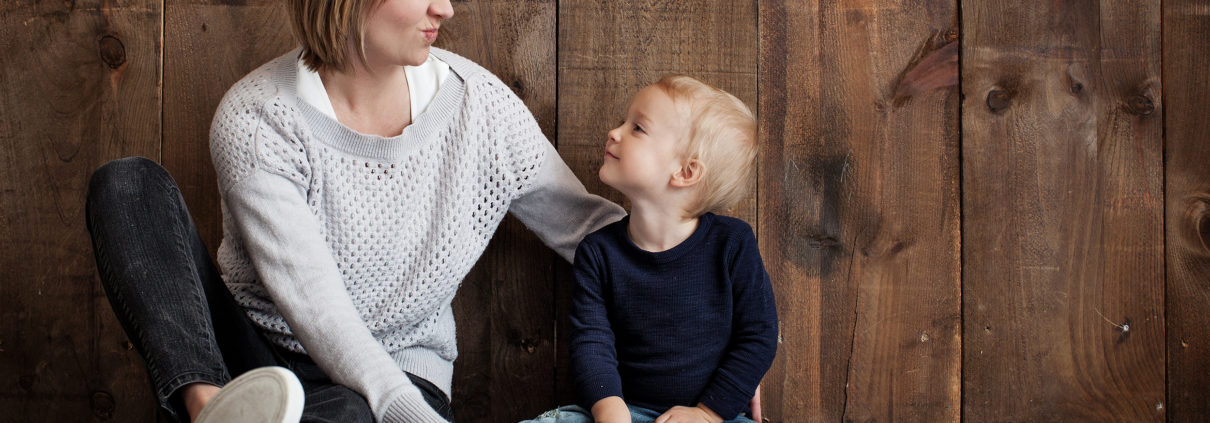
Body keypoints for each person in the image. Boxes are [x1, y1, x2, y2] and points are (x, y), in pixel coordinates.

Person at [84, 0, 627, 421]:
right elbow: (314, 304)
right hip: (254, 356)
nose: (447, 9)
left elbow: (588, 230)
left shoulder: (480, 108)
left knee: (345, 410)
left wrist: (710, 252)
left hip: (402, 373)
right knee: (127, 186)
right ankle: (209, 408)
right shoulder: (256, 117)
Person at [521, 75, 778, 423]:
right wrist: (608, 408)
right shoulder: (598, 253)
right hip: (628, 410)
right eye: (624, 122)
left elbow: (758, 335)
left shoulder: (732, 244)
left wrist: (708, 412)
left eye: (637, 128)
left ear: (685, 172)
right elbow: (591, 342)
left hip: (715, 414)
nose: (615, 132)